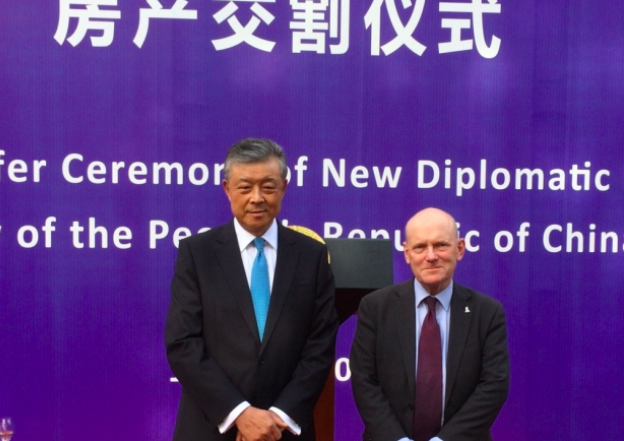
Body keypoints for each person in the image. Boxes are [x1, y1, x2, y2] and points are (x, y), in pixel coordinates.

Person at [166, 138, 338, 441]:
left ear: (284, 187)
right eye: (245, 187)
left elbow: (320, 346)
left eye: (268, 187)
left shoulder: (311, 256)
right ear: (227, 189)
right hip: (211, 428)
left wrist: (280, 417)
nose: (257, 198)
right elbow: (183, 343)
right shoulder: (198, 253)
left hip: (284, 431)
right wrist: (240, 413)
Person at [350, 208, 509, 441]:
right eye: (420, 247)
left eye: (441, 245)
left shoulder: (487, 313)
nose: (431, 255)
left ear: (460, 249)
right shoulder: (375, 308)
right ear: (406, 253)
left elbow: (493, 386)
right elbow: (364, 380)